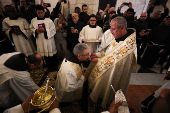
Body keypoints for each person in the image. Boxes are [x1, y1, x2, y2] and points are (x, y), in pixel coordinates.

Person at [86, 16, 137, 107]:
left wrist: (98, 60)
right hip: (106, 71)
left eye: (113, 29)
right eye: (110, 29)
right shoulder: (119, 37)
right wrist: (97, 55)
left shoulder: (127, 46)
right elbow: (108, 53)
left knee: (110, 92)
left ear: (122, 28)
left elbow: (114, 63)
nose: (110, 32)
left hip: (114, 75)